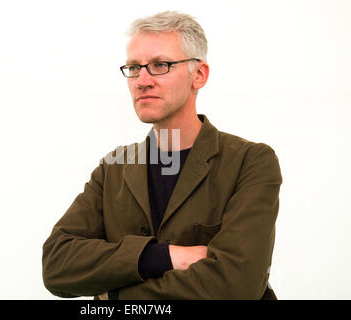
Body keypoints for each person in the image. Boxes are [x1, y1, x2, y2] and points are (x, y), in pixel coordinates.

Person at [42, 11, 283, 300]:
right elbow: (56, 264)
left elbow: (235, 286)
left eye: (160, 65)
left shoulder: (251, 162)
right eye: (133, 68)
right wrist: (167, 257)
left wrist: (116, 296)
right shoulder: (113, 168)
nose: (142, 80)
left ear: (199, 75)